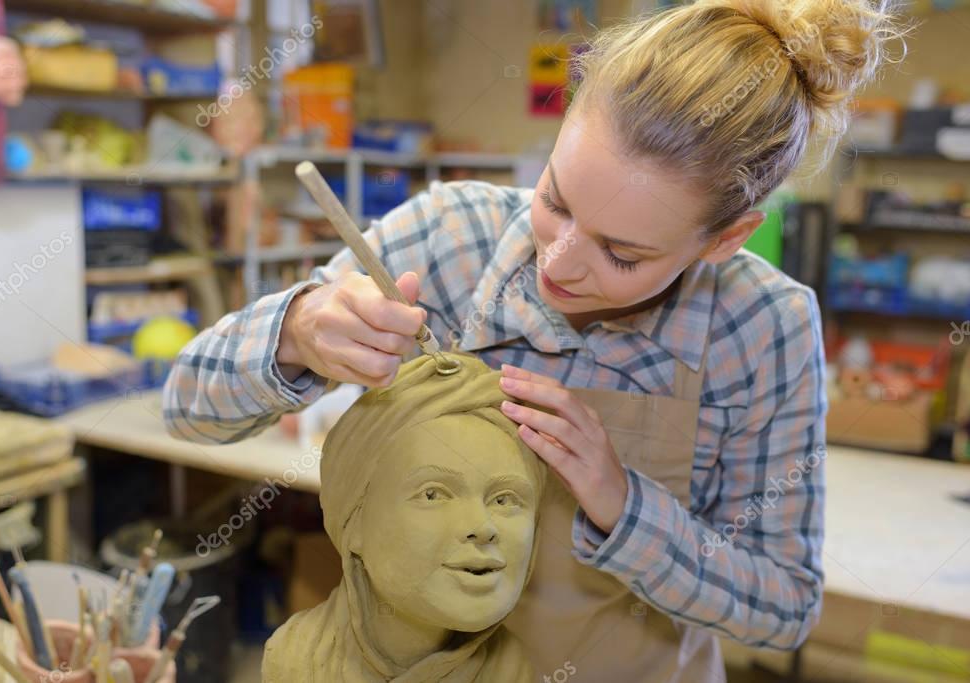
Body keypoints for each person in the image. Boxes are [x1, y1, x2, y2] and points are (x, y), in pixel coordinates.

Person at [164, 1, 905, 679]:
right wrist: (296, 333)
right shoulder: (451, 238)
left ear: (726, 238)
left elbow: (782, 606)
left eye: (622, 254)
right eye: (555, 199)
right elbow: (188, 406)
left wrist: (622, 504)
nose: (558, 262)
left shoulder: (760, 326)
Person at [261, 352, 547, 682]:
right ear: (355, 521)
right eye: (433, 494)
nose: (482, 527)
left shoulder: (513, 672)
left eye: (504, 499)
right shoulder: (297, 662)